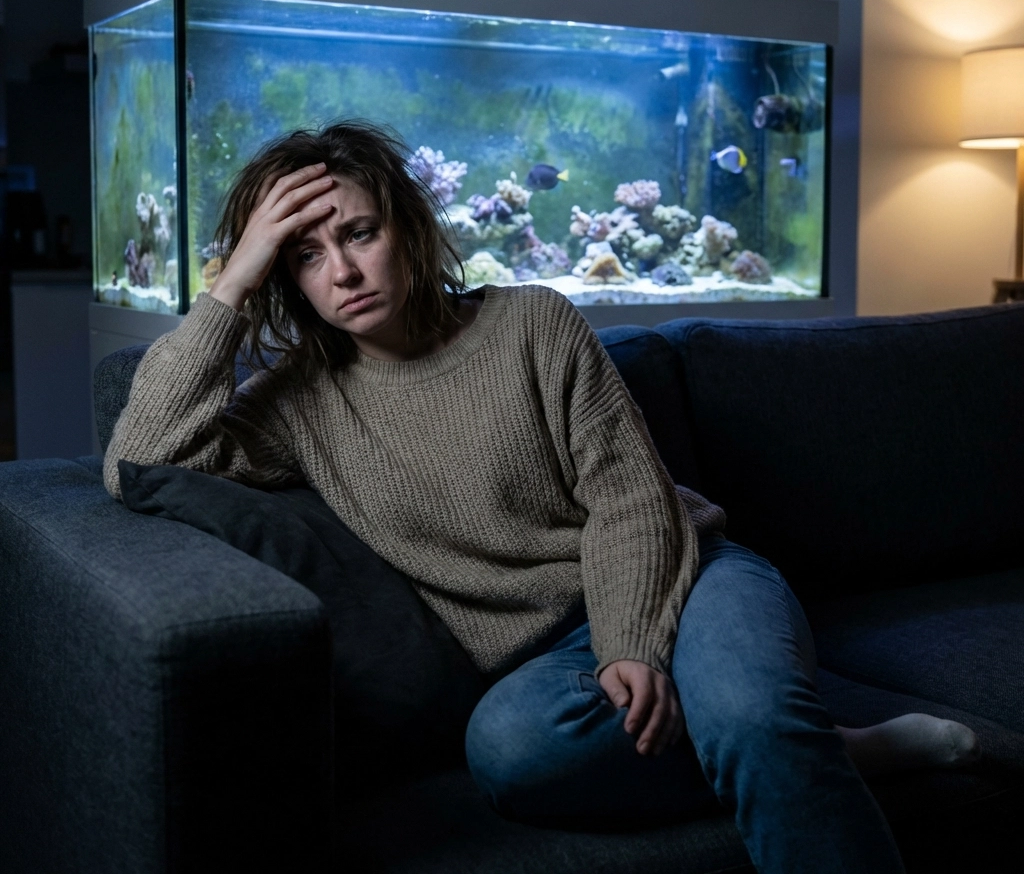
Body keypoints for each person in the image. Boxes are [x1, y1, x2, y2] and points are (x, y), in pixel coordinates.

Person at [104, 121, 979, 874]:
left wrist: (632, 641)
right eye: (303, 255)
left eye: (360, 233)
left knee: (755, 714)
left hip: (691, 573)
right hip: (540, 658)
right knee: (509, 755)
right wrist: (230, 283)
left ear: (406, 228)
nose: (342, 270)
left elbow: (632, 498)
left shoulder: (531, 321)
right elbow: (141, 461)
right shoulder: (299, 401)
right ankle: (823, 753)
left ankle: (784, 743)